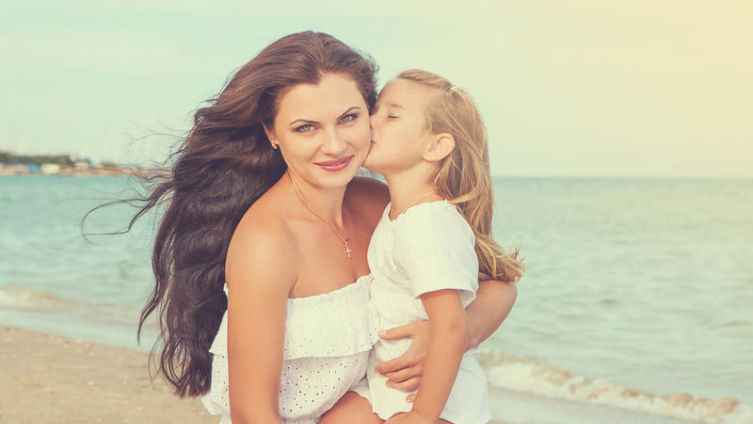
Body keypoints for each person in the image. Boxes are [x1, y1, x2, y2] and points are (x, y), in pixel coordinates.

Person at [130, 31, 517, 424]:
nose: (334, 146)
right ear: (272, 133)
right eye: (306, 128)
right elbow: (253, 415)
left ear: (370, 115)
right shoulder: (267, 242)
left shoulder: (384, 205)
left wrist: (453, 334)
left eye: (348, 118)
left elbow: (500, 284)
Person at [322, 70, 524, 424]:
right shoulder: (400, 213)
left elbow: (451, 325)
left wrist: (421, 415)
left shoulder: (427, 223)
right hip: (390, 389)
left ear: (435, 146)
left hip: (435, 401)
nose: (371, 121)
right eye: (375, 110)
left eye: (391, 115)